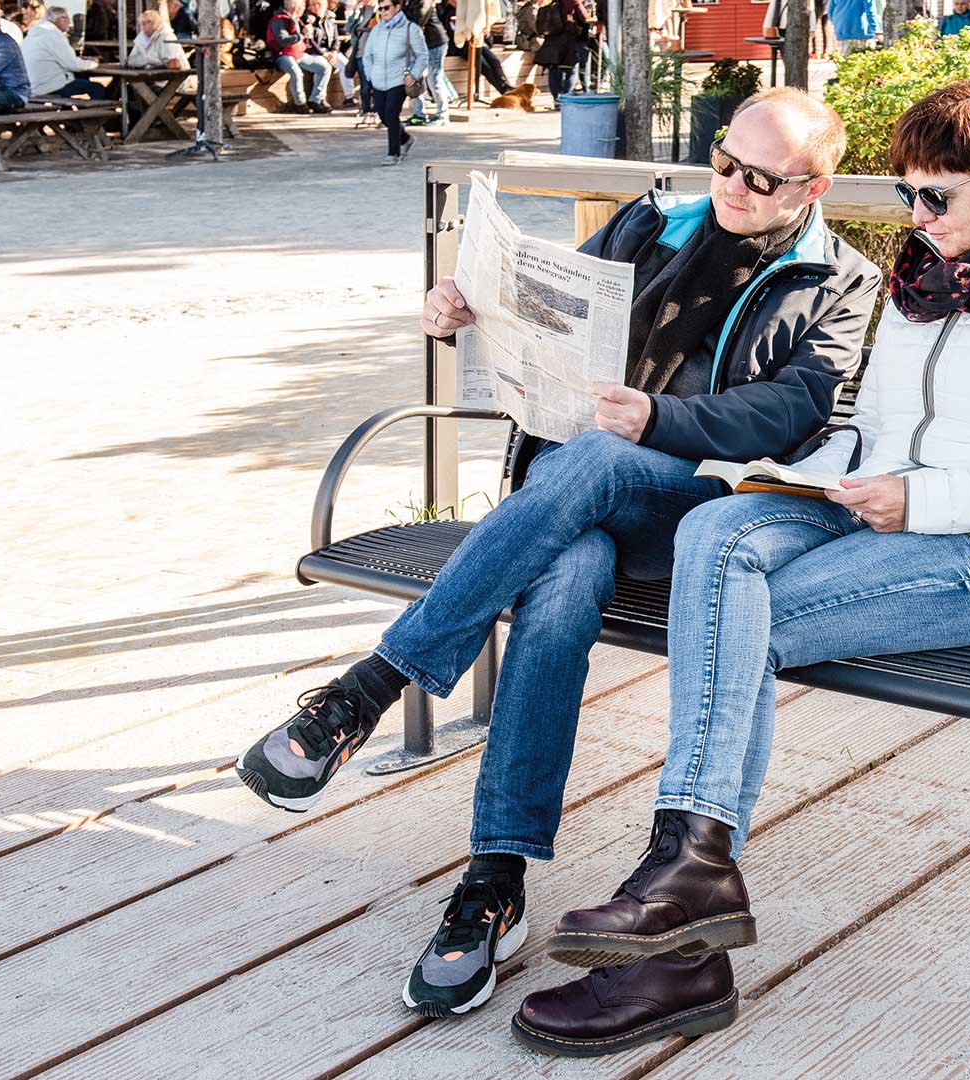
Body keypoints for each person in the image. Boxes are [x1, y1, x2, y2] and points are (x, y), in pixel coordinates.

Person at [521, 75, 970, 1057]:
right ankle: (689, 894)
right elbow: (876, 435)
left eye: (938, 196)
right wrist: (785, 476)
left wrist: (923, 501)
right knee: (714, 534)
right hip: (880, 521)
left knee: (734, 614)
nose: (918, 216)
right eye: (906, 193)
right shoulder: (921, 285)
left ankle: (681, 922)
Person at [234, 88, 879, 1020]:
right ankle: (494, 884)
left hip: (694, 508)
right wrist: (467, 307)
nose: (733, 186)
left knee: (608, 458)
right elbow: (546, 313)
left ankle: (367, 691)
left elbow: (792, 409)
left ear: (812, 186)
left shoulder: (839, 280)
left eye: (761, 179)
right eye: (725, 162)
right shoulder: (651, 219)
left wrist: (662, 419)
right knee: (565, 576)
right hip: (569, 499)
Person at [359, 0, 423, 157]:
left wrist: (414, 74)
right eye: (380, 9)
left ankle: (393, 154)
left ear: (397, 7)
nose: (383, 11)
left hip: (399, 79)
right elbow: (367, 55)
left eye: (387, 8)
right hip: (378, 80)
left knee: (391, 114)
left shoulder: (410, 29)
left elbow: (422, 55)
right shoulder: (376, 30)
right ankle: (406, 138)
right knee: (382, 115)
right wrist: (370, 74)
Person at [21, 5, 102, 98]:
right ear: (57, 19)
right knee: (97, 88)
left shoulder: (35, 34)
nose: (69, 21)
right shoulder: (53, 34)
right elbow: (73, 65)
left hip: (34, 86)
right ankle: (96, 112)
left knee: (80, 79)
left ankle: (68, 110)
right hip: (48, 87)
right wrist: (93, 63)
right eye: (65, 18)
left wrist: (81, 60)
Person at [268, 0, 333, 112]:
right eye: (302, 6)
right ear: (295, 7)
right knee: (296, 72)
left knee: (325, 67)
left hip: (298, 54)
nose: (304, 8)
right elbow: (283, 41)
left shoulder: (296, 19)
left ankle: (315, 100)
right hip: (282, 55)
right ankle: (300, 104)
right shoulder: (279, 20)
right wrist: (302, 34)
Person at [405, 0, 453, 125]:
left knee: (434, 79)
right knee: (413, 78)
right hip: (419, 45)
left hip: (434, 43)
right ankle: (419, 114)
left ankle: (443, 115)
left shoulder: (423, 1)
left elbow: (418, 20)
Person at [531, 0, 588, 105]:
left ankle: (556, 98)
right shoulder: (573, 2)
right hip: (568, 42)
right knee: (572, 70)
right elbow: (585, 18)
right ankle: (566, 97)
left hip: (551, 42)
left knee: (554, 69)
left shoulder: (549, 5)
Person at [302, 0, 357, 103]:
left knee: (345, 64)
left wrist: (334, 51)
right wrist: (323, 53)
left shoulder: (329, 18)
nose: (316, 7)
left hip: (329, 51)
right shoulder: (308, 19)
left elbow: (335, 38)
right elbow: (310, 41)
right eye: (313, 5)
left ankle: (349, 96)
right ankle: (320, 98)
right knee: (322, 65)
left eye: (319, 4)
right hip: (314, 51)